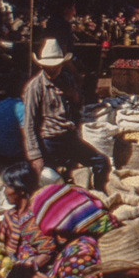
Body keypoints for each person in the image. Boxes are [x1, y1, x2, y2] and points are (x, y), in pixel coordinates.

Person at [22, 39, 108, 190]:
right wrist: (35, 156)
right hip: (49, 141)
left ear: (61, 64)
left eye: (56, 67)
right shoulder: (35, 87)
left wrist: (74, 95)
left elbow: (79, 106)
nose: (52, 71)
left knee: (101, 162)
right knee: (56, 181)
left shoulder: (66, 79)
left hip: (69, 137)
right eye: (48, 67)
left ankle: (99, 194)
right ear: (42, 65)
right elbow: (28, 124)